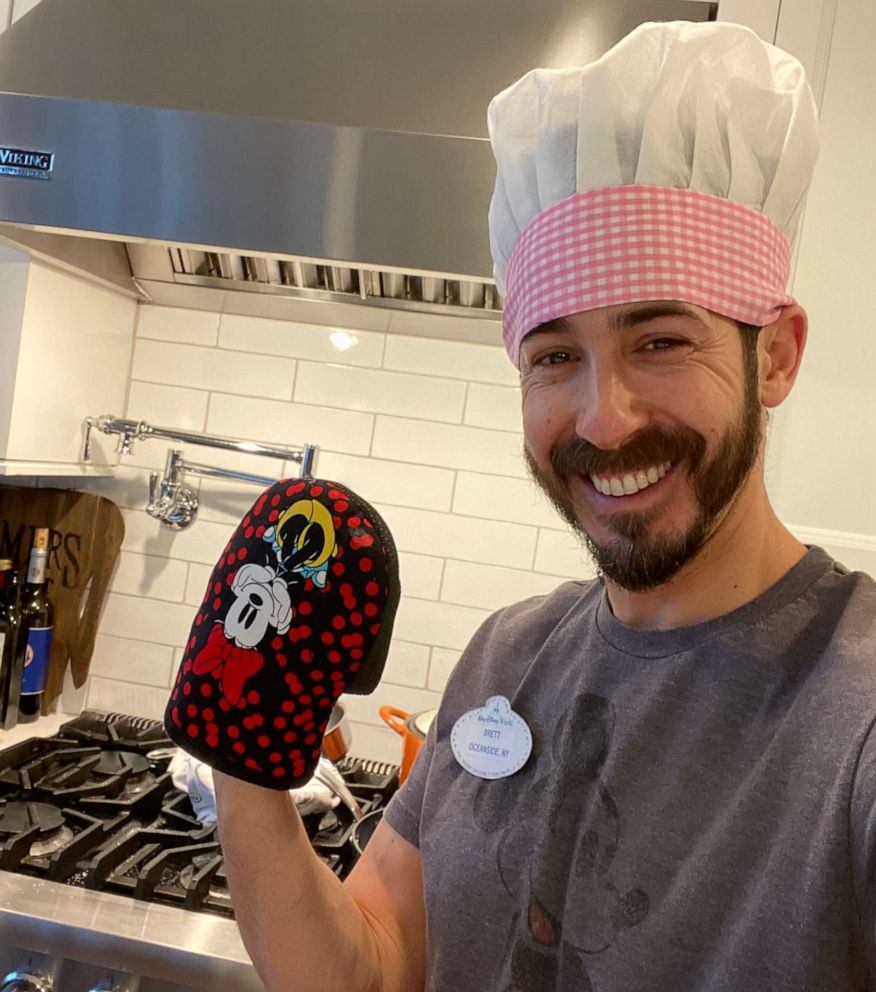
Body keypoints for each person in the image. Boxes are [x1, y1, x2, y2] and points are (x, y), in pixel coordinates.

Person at [172, 19, 876, 992]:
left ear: (779, 354)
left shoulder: (858, 713)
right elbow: (372, 966)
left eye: (661, 340)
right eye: (554, 355)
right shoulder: (508, 655)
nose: (605, 415)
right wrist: (242, 757)